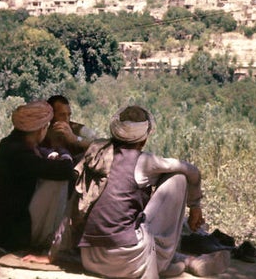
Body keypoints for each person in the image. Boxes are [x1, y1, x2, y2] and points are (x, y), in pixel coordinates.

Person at [73, 105, 228, 278]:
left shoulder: (96, 152)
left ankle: (181, 261)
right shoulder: (143, 162)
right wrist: (195, 206)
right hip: (125, 261)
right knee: (178, 177)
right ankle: (177, 262)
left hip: (90, 258)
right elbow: (191, 170)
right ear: (144, 139)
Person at [0, 100, 76, 261]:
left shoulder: (10, 144)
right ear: (41, 129)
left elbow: (38, 159)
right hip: (12, 233)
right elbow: (65, 171)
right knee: (57, 181)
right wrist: (63, 152)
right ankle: (50, 237)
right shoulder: (20, 153)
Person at [41, 94, 98, 162]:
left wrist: (75, 139)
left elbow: (98, 145)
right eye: (62, 115)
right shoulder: (41, 132)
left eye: (69, 115)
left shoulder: (79, 129)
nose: (66, 119)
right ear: (50, 115)